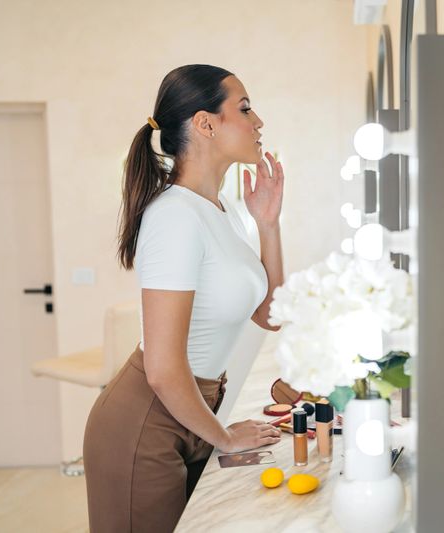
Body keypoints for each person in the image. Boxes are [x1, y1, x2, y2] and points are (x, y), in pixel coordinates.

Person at [83, 64, 284, 532]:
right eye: (246, 108)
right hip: (146, 422)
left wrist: (268, 224)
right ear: (205, 123)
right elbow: (163, 368)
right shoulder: (174, 216)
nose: (259, 123)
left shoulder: (222, 210)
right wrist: (224, 437)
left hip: (193, 410)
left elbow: (270, 314)